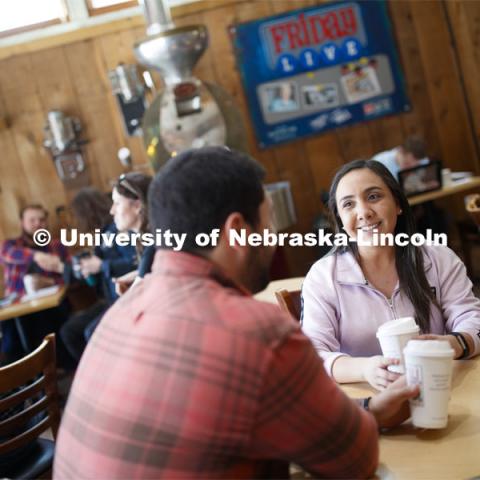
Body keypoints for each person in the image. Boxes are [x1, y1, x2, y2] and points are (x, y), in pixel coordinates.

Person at [54, 147, 418, 479]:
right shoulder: (257, 331)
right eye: (267, 223)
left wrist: (367, 408)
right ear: (239, 232)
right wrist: (370, 416)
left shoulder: (121, 310)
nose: (272, 237)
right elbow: (354, 461)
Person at [302, 159, 480, 390]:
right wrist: (365, 369)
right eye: (348, 204)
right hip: (367, 406)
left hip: (440, 389)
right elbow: (314, 355)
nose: (364, 212)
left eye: (374, 196)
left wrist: (455, 343)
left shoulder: (438, 258)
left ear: (398, 204)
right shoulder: (323, 277)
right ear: (340, 221)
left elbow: (472, 318)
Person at [59, 187, 137, 362]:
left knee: (85, 332)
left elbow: (134, 262)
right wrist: (87, 268)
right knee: (69, 331)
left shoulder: (116, 232)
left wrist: (102, 265)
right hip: (110, 300)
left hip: (123, 299)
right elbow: (95, 279)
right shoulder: (103, 234)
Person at [82, 172, 153, 340]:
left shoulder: (152, 242)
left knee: (94, 334)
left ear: (137, 206)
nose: (112, 211)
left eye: (117, 203)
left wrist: (138, 279)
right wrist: (137, 275)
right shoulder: (144, 239)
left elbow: (137, 293)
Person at [0, 205, 70, 362]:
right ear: (22, 222)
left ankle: (49, 371)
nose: (37, 223)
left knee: (53, 326)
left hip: (48, 306)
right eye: (32, 220)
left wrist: (48, 282)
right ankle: (19, 378)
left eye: (41, 220)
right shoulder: (10, 246)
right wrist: (37, 256)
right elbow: (6, 254)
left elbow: (70, 275)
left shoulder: (57, 246)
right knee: (11, 340)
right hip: (16, 307)